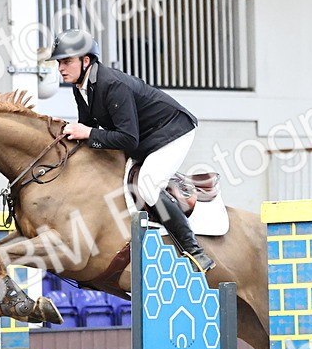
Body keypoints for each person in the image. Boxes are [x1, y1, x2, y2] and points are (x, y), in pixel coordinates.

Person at [48, 27, 215, 272]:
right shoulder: (81, 87)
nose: (61, 68)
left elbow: (127, 139)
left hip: (172, 131)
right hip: (144, 137)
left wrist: (88, 133)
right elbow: (89, 128)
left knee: (148, 184)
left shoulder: (112, 84)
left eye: (66, 61)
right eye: (59, 62)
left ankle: (194, 250)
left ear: (86, 60)